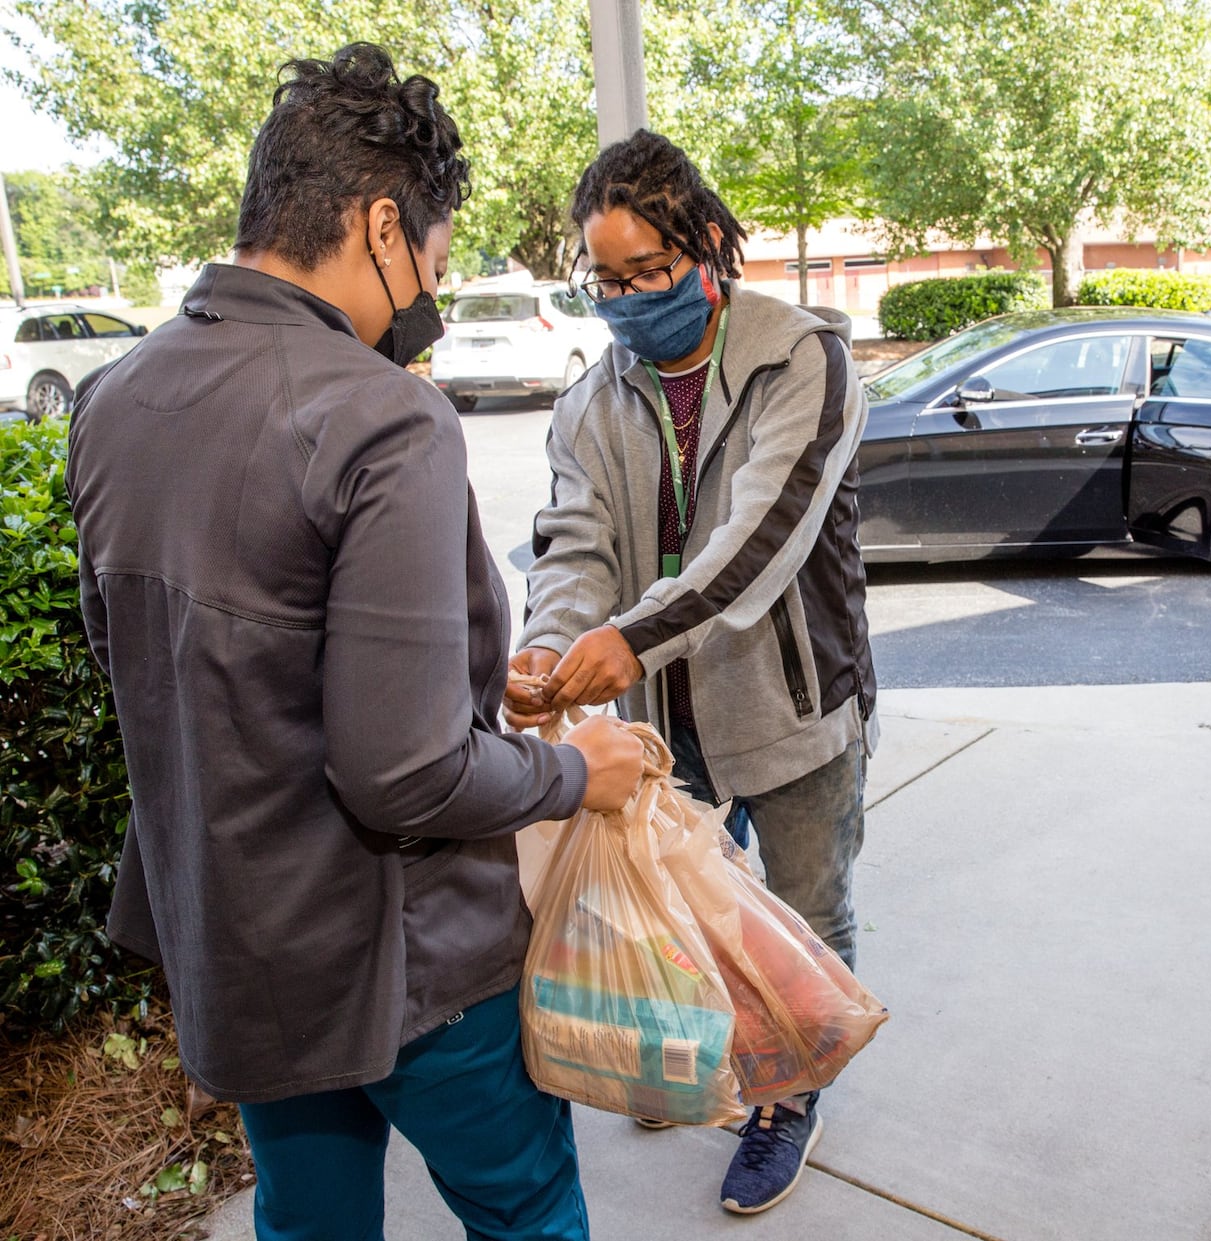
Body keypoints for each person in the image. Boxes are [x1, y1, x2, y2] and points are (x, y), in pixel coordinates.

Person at [65, 43, 643, 1241]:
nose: (428, 290)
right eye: (433, 259)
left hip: (241, 944)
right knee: (528, 1210)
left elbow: (168, 669)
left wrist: (481, 679)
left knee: (307, 1221)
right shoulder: (386, 417)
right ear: (385, 226)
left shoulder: (112, 399)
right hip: (409, 956)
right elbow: (405, 771)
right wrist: (579, 771)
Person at [502, 129, 878, 1216]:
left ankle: (790, 1096)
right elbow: (572, 545)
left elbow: (757, 543)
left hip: (793, 706)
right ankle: (695, 1062)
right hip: (668, 715)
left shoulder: (800, 358)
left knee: (803, 917)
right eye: (603, 280)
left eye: (647, 273)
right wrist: (549, 642)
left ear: (707, 242)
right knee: (679, 915)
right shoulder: (591, 400)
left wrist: (624, 639)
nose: (624, 300)